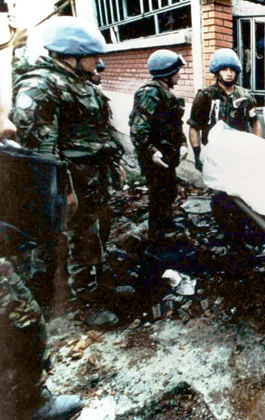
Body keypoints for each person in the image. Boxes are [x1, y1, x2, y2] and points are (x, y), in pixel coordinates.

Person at [11, 16, 124, 326]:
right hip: (69, 181)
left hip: (91, 178)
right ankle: (86, 304)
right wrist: (64, 190)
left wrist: (113, 165)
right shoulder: (41, 85)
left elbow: (97, 131)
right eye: (92, 55)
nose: (98, 61)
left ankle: (98, 286)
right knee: (79, 242)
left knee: (95, 235)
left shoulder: (79, 82)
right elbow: (40, 150)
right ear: (71, 54)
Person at [0, 9, 84, 419]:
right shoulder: (41, 85)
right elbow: (36, 145)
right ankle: (27, 403)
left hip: (57, 182)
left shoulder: (71, 82)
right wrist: (62, 187)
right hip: (42, 187)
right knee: (22, 317)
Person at [129, 49, 187, 256]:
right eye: (177, 70)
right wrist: (152, 152)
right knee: (159, 194)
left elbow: (174, 125)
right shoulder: (150, 93)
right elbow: (138, 128)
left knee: (168, 191)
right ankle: (157, 237)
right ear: (167, 73)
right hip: (156, 158)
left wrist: (183, 144)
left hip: (166, 155)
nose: (180, 74)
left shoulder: (164, 92)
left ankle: (165, 225)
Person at [188, 48, 262, 169]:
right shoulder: (205, 96)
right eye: (224, 69)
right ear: (217, 72)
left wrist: (258, 148)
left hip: (239, 152)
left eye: (232, 69)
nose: (229, 73)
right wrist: (197, 155)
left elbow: (255, 123)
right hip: (214, 154)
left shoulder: (246, 96)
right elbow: (194, 127)